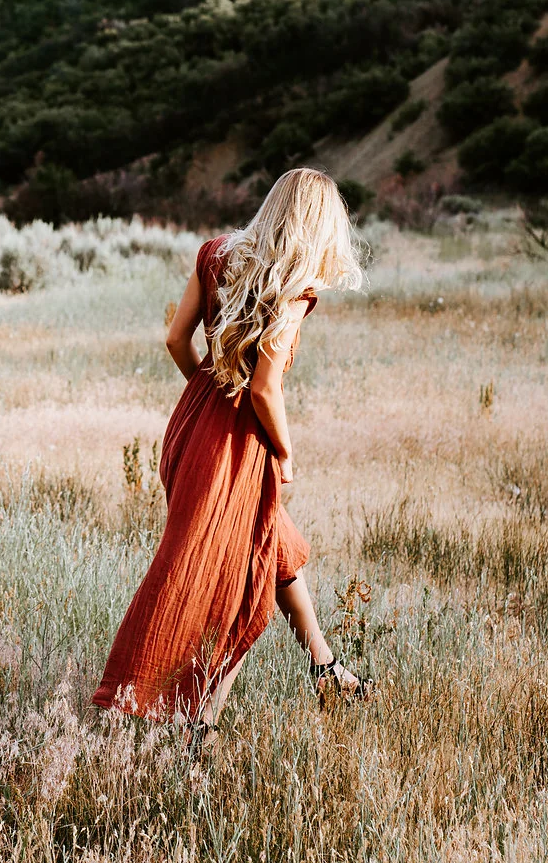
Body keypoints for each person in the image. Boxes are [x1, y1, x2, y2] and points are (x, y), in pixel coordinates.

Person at [92, 168, 369, 735]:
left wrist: (209, 391)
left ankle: (326, 667)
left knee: (273, 545)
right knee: (234, 585)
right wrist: (284, 451)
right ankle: (197, 724)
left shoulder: (216, 253)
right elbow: (265, 389)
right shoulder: (293, 289)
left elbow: (175, 339)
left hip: (190, 428)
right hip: (235, 448)